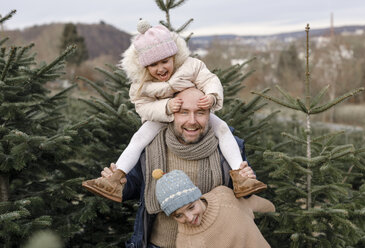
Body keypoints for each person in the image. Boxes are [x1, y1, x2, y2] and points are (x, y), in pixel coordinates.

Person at [82, 19, 266, 203]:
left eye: (165, 61)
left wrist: (211, 96)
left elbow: (210, 80)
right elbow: (143, 107)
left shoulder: (191, 66)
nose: (161, 68)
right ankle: (115, 178)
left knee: (223, 129)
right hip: (160, 118)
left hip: (197, 109)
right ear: (145, 66)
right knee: (139, 138)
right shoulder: (142, 85)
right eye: (153, 65)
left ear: (173, 57)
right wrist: (166, 107)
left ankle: (240, 175)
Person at [100, 88, 268, 248]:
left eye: (200, 112)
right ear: (171, 114)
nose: (192, 121)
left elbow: (241, 198)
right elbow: (133, 187)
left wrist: (248, 178)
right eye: (183, 112)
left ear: (210, 114)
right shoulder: (149, 146)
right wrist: (119, 183)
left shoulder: (229, 149)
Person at [153, 169, 274, 248]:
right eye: (178, 215)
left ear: (197, 196)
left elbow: (257, 205)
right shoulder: (186, 243)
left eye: (191, 207)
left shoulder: (224, 195)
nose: (189, 218)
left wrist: (275, 211)